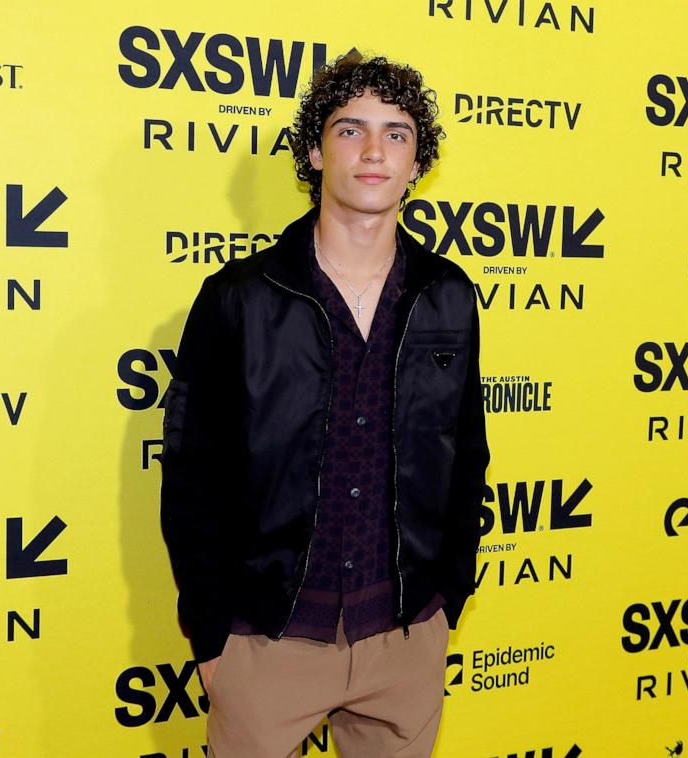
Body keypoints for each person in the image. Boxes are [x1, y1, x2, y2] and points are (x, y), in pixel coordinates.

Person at [160, 51, 490, 758]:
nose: (375, 151)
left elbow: (466, 453)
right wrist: (213, 635)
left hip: (405, 638)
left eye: (397, 133)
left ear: (418, 161)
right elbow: (191, 475)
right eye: (351, 130)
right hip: (267, 640)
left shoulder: (449, 294)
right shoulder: (239, 298)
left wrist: (446, 600)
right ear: (314, 150)